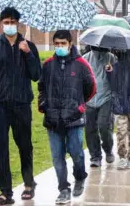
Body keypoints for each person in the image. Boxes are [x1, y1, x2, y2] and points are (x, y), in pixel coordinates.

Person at [0, 7, 41, 205]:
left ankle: (29, 184)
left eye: (13, 22)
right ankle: (6, 192)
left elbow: (36, 75)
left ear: (18, 23)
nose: (9, 25)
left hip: (22, 104)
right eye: (6, 22)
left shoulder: (28, 45)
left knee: (24, 145)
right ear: (1, 24)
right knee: (0, 148)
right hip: (0, 106)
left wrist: (28, 54)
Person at [38, 30, 96, 204]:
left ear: (70, 44)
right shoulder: (48, 64)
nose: (59, 47)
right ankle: (63, 188)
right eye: (56, 44)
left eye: (63, 43)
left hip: (74, 118)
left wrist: (79, 105)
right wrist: (44, 106)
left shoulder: (81, 64)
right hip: (53, 119)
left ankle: (80, 176)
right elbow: (41, 87)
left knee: (76, 152)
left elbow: (91, 87)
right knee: (57, 156)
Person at [105, 49, 130, 170]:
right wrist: (110, 73)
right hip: (119, 105)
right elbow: (112, 86)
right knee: (121, 132)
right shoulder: (115, 66)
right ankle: (122, 157)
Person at [83, 46, 116, 168]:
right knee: (90, 129)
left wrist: (110, 72)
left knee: (104, 126)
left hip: (106, 98)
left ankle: (108, 149)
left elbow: (116, 80)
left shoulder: (111, 58)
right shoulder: (85, 59)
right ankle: (95, 156)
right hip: (89, 99)